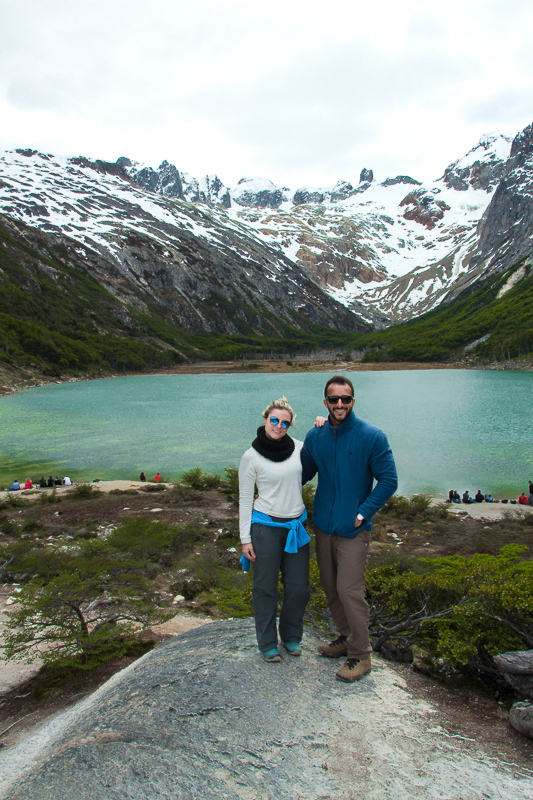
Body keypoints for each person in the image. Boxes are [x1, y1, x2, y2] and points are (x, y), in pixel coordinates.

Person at [301, 376, 398, 683]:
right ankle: (344, 638)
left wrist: (363, 513)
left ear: (353, 401)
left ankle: (361, 655)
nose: (339, 404)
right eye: (333, 399)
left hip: (354, 530)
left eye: (345, 399)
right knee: (330, 586)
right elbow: (301, 473)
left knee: (349, 590)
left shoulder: (372, 436)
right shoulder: (316, 436)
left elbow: (389, 481)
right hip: (324, 527)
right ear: (325, 403)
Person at [239, 396, 310, 662]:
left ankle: (291, 636)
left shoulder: (301, 449)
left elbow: (325, 445)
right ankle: (268, 643)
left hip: (296, 527)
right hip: (265, 528)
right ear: (265, 420)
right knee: (265, 588)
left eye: (284, 423)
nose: (278, 426)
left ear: (290, 426)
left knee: (299, 586)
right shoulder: (251, 457)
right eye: (274, 420)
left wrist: (322, 425)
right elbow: (245, 499)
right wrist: (245, 539)